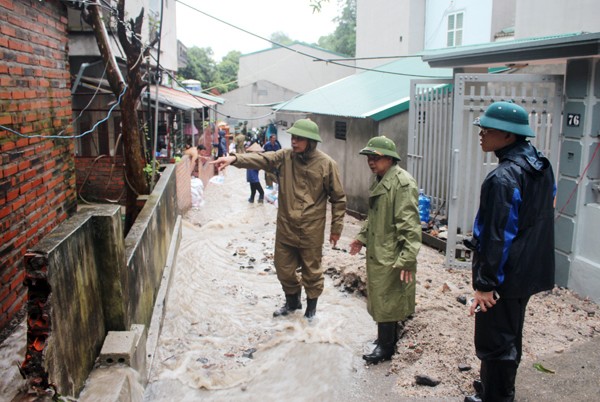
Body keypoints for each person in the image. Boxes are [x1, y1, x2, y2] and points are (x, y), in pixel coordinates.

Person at [464, 101, 556, 402]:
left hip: (505, 276)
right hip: (530, 270)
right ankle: (492, 390)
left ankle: (498, 397)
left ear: (508, 136)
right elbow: (545, 207)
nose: (481, 134)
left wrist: (485, 284)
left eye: (487, 130)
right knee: (510, 335)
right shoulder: (541, 166)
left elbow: (497, 237)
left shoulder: (502, 178)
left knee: (496, 343)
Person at [211, 119, 346, 319]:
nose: (294, 141)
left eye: (299, 138)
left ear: (310, 141)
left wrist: (336, 229)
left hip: (312, 229)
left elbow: (338, 198)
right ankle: (292, 303)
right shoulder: (285, 157)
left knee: (312, 271)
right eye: (293, 137)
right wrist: (234, 159)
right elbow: (262, 159)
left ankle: (311, 310)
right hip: (286, 227)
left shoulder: (327, 164)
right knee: (283, 268)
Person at [349, 136, 422, 364]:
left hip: (392, 253)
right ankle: (384, 340)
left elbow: (409, 225)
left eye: (377, 157)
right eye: (370, 157)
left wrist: (407, 259)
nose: (371, 161)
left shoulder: (402, 184)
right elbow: (374, 216)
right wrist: (361, 238)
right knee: (382, 298)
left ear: (390, 158)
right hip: (380, 250)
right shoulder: (381, 179)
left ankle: (387, 348)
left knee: (388, 299)